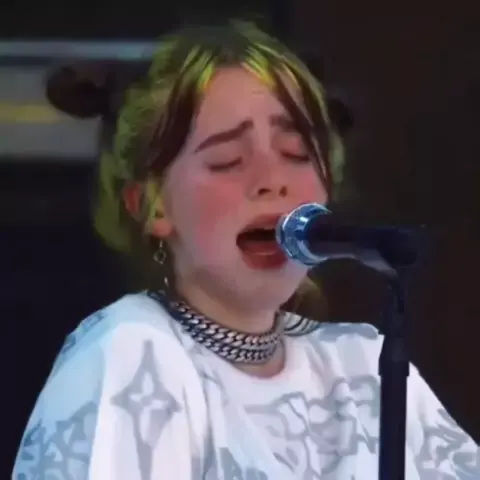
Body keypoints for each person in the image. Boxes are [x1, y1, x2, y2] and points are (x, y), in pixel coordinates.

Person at [13, 21, 478, 480]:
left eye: (296, 153)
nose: (272, 180)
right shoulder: (134, 352)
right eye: (227, 160)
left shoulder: (360, 364)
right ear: (151, 205)